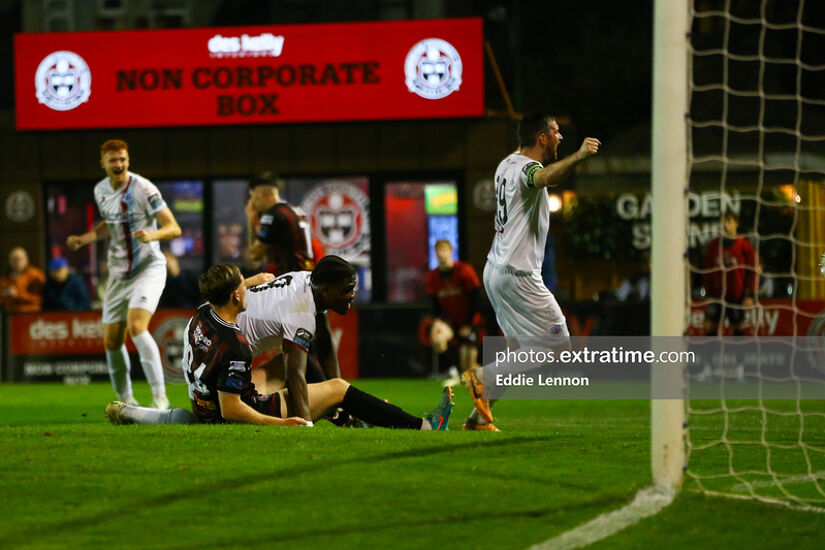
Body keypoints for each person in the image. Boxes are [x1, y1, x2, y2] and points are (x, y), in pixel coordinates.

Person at [105, 262, 453, 430]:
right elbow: (235, 408)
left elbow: (321, 344)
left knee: (300, 377)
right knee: (336, 387)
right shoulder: (241, 344)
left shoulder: (201, 315)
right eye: (347, 288)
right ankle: (424, 426)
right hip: (229, 408)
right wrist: (296, 423)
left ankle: (346, 414)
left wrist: (251, 281)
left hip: (204, 396)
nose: (352, 294)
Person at [464, 112, 600, 431]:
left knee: (519, 353)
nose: (560, 137)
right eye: (555, 132)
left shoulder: (505, 163)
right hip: (518, 274)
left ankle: (476, 421)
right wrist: (579, 156)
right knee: (558, 346)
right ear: (542, 138)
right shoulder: (528, 168)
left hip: (495, 270)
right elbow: (543, 178)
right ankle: (481, 378)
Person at [67, 139, 182, 410]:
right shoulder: (100, 190)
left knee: (137, 326)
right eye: (113, 160)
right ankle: (126, 399)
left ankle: (160, 399)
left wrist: (152, 234)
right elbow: (111, 223)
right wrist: (86, 239)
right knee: (111, 341)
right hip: (119, 274)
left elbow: (173, 227)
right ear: (103, 163)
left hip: (148, 267)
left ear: (128, 161)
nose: (118, 165)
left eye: (122, 160)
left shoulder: (144, 188)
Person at [424, 239, 484, 381]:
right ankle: (451, 371)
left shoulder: (464, 270)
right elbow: (435, 304)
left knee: (468, 370)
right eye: (439, 251)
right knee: (437, 337)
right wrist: (438, 321)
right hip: (450, 322)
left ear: (451, 252)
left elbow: (476, 298)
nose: (441, 254)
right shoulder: (433, 276)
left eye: (444, 250)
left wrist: (469, 324)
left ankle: (496, 374)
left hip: (469, 322)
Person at [245, 172, 314, 276]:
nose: (253, 203)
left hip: (290, 280)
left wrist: (251, 222)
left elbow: (255, 256)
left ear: (264, 194)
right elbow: (271, 257)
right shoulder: (297, 211)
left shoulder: (272, 215)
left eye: (254, 197)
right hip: (308, 275)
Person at [703, 211, 757, 336]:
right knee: (710, 328)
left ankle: (739, 356)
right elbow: (707, 271)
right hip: (716, 297)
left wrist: (749, 294)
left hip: (736, 297)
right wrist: (708, 292)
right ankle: (709, 356)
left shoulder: (745, 246)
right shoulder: (712, 246)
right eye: (723, 222)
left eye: (729, 222)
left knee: (738, 330)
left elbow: (752, 272)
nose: (726, 225)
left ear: (736, 224)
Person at [0, 246, 46, 313]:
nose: (17, 262)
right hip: (11, 315)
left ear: (27, 260)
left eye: (19, 259)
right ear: (9, 261)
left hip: (31, 314)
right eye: (13, 259)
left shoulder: (36, 275)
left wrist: (18, 294)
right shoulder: (5, 278)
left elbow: (39, 299)